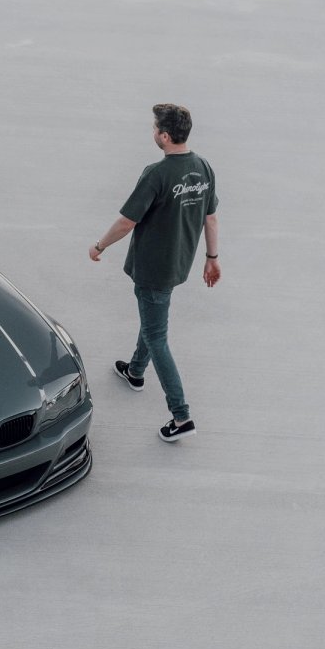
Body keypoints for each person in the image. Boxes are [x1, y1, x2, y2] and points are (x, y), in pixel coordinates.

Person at [88, 103, 220, 441]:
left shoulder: (157, 174)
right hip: (178, 264)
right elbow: (211, 217)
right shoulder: (203, 167)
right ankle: (135, 372)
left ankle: (181, 415)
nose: (152, 133)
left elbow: (127, 222)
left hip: (153, 268)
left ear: (164, 135)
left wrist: (99, 246)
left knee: (157, 335)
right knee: (153, 321)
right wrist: (212, 257)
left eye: (154, 129)